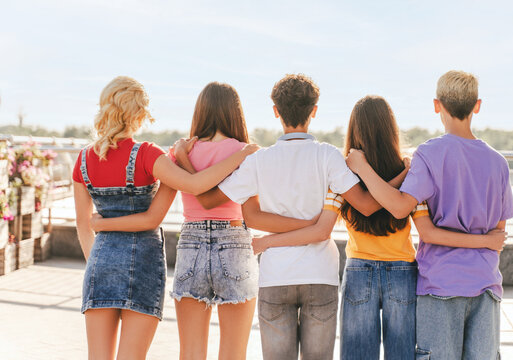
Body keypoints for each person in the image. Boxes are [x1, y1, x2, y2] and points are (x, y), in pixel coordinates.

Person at [253, 95, 507, 360]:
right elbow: (421, 224)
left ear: (354, 129)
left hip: (360, 269)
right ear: (390, 128)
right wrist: (402, 175)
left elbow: (340, 216)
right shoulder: (409, 171)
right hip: (402, 270)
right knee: (401, 355)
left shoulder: (345, 172)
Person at [89, 81, 313, 359]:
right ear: (236, 113)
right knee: (233, 352)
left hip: (191, 244)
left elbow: (186, 192)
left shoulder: (179, 153)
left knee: (191, 352)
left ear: (200, 112)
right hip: (234, 243)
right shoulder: (247, 153)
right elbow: (251, 212)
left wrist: (183, 157)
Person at [192, 74, 393, 360]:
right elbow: (367, 205)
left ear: (276, 111)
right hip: (320, 275)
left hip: (275, 277)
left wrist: (188, 159)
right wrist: (402, 177)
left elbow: (211, 201)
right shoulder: (328, 156)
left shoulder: (258, 161)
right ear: (314, 111)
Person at [74, 76, 258, 360]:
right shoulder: (150, 155)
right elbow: (163, 211)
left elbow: (83, 224)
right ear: (139, 114)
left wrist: (99, 249)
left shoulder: (84, 159)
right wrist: (243, 154)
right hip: (156, 262)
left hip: (106, 261)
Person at [346, 71, 513, 359]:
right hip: (486, 285)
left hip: (440, 284)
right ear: (477, 105)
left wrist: (361, 168)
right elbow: (497, 236)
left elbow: (400, 207)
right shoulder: (499, 164)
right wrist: (484, 241)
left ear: (437, 105)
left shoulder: (429, 154)